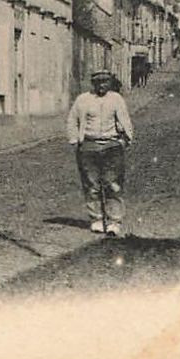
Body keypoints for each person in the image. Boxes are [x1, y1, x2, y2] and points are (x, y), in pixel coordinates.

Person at [66, 68, 135, 237]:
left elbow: (125, 119)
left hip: (112, 146)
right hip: (89, 147)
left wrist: (125, 139)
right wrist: (75, 141)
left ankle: (114, 221)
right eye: (98, 82)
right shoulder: (83, 100)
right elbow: (72, 120)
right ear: (93, 83)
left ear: (110, 82)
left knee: (113, 184)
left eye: (105, 81)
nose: (102, 85)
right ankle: (96, 219)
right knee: (92, 185)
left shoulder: (116, 99)